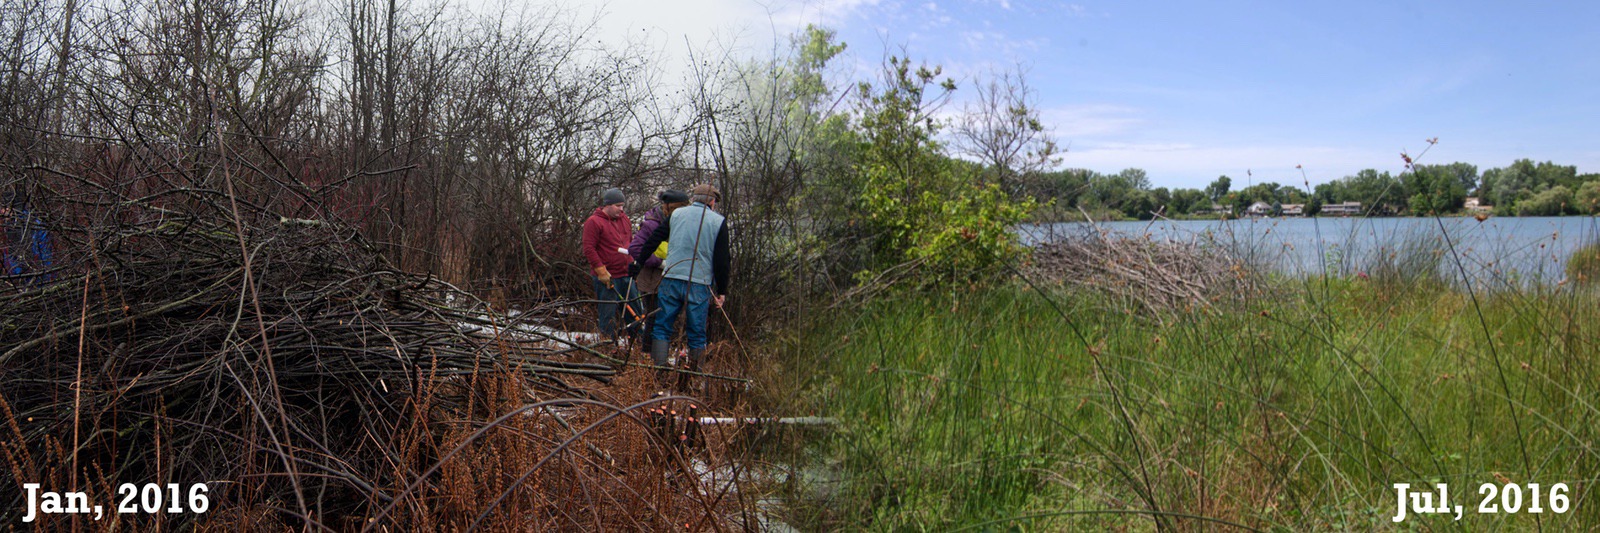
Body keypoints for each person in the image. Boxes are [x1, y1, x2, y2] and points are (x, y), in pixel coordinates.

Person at [634, 183, 729, 382]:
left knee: (662, 326)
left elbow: (653, 239)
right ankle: (694, 376)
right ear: (712, 202)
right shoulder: (718, 221)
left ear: (694, 199)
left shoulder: (676, 216)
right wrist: (722, 289)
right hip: (699, 282)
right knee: (696, 331)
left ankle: (657, 373)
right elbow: (722, 259)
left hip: (671, 278)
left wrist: (638, 263)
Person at [627, 188, 690, 347]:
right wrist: (659, 262)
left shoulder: (682, 223)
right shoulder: (651, 224)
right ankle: (648, 353)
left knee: (669, 318)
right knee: (653, 317)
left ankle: (662, 352)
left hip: (671, 277)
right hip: (652, 280)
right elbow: (635, 249)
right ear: (669, 208)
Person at [581, 187, 640, 344]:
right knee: (608, 316)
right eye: (618, 205)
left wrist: (634, 262)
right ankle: (608, 347)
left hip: (626, 275)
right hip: (608, 277)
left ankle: (637, 348)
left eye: (623, 206)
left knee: (635, 313)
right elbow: (589, 248)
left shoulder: (624, 219)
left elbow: (631, 242)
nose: (621, 209)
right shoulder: (593, 222)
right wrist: (600, 270)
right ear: (607, 205)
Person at [1, 191, 55, 286]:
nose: (1, 212)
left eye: (3, 208)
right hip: (22, 277)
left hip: (36, 276)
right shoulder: (11, 225)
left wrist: (17, 274)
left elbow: (39, 254)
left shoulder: (27, 225)